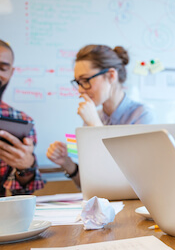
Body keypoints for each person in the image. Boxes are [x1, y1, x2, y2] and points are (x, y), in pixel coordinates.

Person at [46, 44, 155, 188]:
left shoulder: (142, 115)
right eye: (78, 82)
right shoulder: (93, 117)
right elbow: (89, 185)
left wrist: (95, 125)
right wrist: (67, 163)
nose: (80, 90)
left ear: (111, 75)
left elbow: (130, 183)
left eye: (85, 80)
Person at [0, 40, 44, 196]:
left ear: (11, 72)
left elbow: (23, 192)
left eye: (3, 68)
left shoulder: (20, 121)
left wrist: (26, 167)